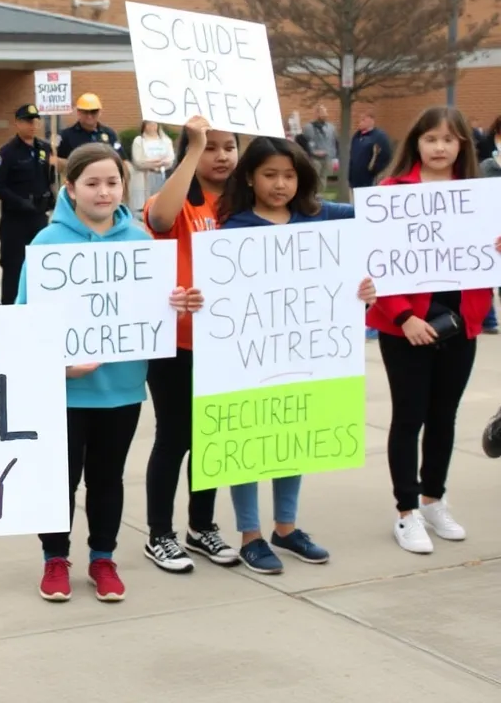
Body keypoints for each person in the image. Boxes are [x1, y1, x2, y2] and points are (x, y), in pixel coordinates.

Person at [17, 144, 202, 602]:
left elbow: (155, 309)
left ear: (124, 186)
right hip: (63, 390)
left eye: (113, 182)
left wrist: (178, 305)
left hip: (121, 388)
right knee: (60, 480)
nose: (104, 191)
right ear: (70, 188)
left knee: (107, 478)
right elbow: (24, 317)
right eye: (92, 183)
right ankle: (55, 558)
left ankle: (103, 557)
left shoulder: (141, 243)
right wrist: (58, 365)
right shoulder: (47, 243)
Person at [213, 137, 376, 573]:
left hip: (302, 356)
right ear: (250, 178)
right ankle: (250, 536)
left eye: (289, 175)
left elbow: (379, 218)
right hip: (250, 359)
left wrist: (361, 292)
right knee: (248, 444)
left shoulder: (320, 216)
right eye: (270, 175)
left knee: (292, 439)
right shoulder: (234, 231)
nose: (281, 184)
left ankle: (286, 527)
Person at [367, 106, 501, 554]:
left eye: (449, 139)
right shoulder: (391, 192)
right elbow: (375, 262)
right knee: (410, 417)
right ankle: (406, 511)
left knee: (445, 416)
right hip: (405, 325)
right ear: (416, 143)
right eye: (431, 139)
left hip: (462, 322)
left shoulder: (480, 196)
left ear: (463, 145)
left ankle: (433, 499)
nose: (440, 147)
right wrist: (404, 317)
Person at [141, 116, 240, 572]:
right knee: (174, 437)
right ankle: (159, 534)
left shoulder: (243, 202)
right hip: (178, 342)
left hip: (229, 343)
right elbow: (159, 218)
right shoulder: (180, 200)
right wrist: (194, 147)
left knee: (212, 437)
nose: (221, 156)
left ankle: (202, 527)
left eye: (229, 147)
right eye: (210, 147)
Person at [0, 104, 54, 305]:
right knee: (14, 268)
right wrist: (20, 202)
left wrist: (50, 198)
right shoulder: (7, 152)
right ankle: (10, 309)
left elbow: (48, 177)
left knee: (40, 265)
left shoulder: (44, 148)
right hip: (15, 221)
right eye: (27, 121)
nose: (32, 125)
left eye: (35, 121)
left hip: (38, 217)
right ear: (17, 123)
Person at [55, 92, 121, 173]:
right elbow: (55, 161)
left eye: (93, 111)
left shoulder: (109, 134)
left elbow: (121, 159)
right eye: (85, 112)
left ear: (100, 112)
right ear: (78, 112)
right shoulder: (65, 135)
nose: (89, 116)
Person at [129, 121, 174, 214]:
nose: (152, 126)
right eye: (149, 123)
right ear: (144, 126)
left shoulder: (166, 140)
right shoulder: (139, 141)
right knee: (148, 203)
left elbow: (170, 159)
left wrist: (162, 163)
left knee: (162, 202)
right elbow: (138, 161)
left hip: (163, 174)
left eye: (154, 123)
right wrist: (154, 163)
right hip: (146, 175)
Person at [348, 113, 391, 190]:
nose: (359, 122)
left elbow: (385, 156)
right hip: (355, 179)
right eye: (359, 119)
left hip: (370, 179)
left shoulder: (379, 136)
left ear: (371, 121)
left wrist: (374, 170)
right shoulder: (356, 136)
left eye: (363, 120)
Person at [301, 104, 339, 190]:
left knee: (325, 178)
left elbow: (334, 142)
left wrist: (335, 157)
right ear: (317, 114)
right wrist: (312, 152)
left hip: (328, 157)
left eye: (326, 112)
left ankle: (323, 194)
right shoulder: (308, 127)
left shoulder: (331, 127)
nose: (325, 115)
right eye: (323, 112)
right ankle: (313, 194)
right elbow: (304, 142)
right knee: (314, 178)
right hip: (314, 159)